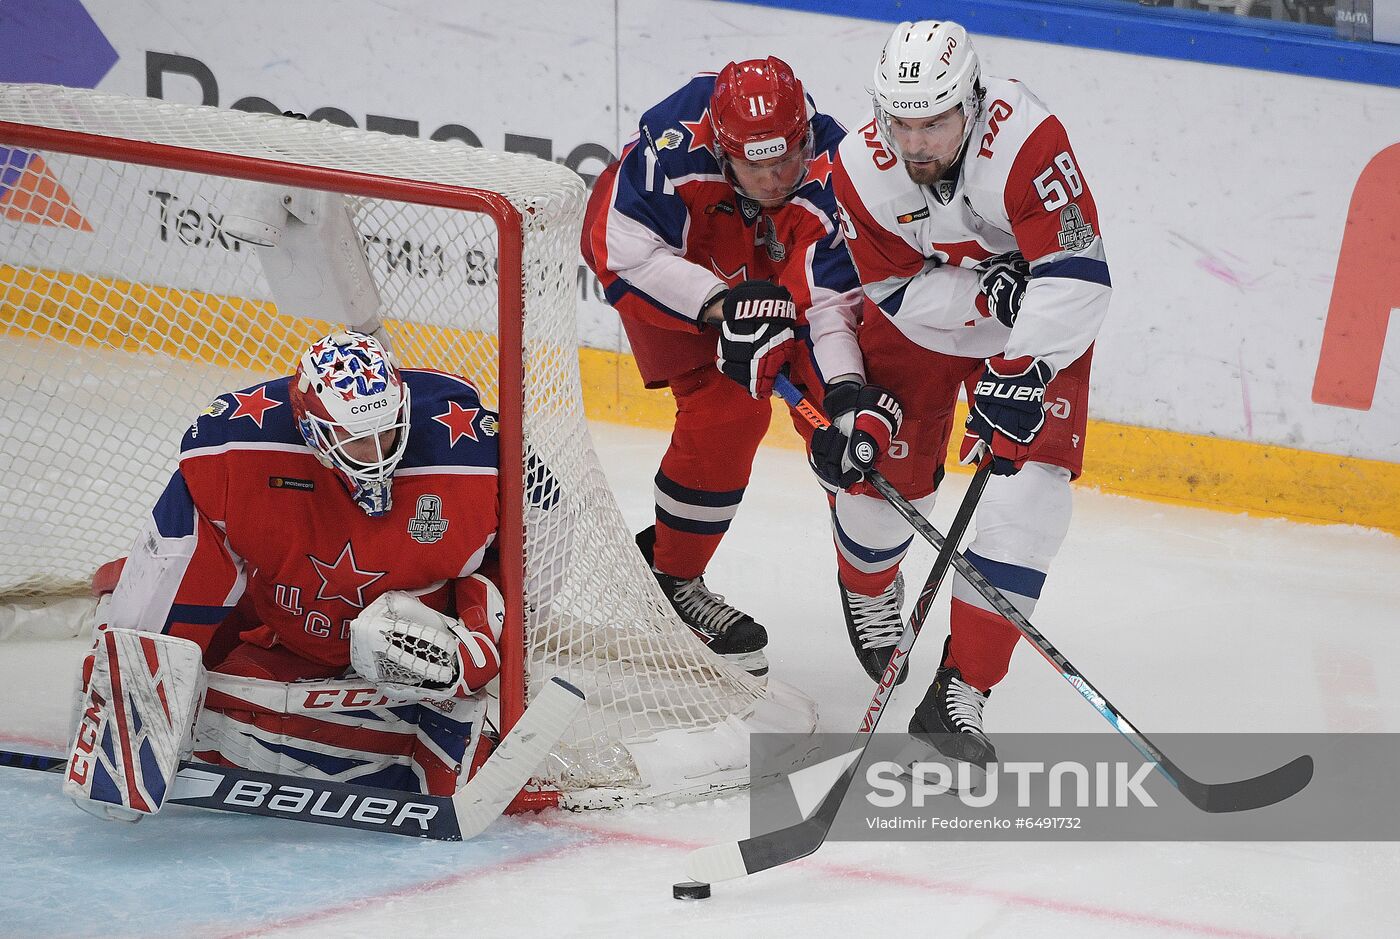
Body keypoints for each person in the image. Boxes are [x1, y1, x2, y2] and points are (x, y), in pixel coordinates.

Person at [813, 20, 1111, 764]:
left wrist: (1026, 363)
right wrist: (984, 296)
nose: (916, 144)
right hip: (921, 322)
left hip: (1033, 323)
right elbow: (889, 289)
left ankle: (960, 690)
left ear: (972, 103)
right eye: (901, 122)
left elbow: (1078, 271)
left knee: (1035, 494)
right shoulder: (858, 165)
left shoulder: (1027, 138)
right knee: (877, 484)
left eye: (935, 123)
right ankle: (868, 582)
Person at [63, 330, 507, 820]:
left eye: (388, 431)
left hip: (394, 655)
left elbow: (527, 557)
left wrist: (482, 643)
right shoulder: (233, 447)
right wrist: (135, 692)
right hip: (283, 632)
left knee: (404, 651)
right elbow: (184, 570)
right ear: (313, 429)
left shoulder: (477, 449)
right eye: (358, 439)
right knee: (212, 678)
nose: (378, 452)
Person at [582, 56, 861, 676]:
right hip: (684, 269)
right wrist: (716, 305)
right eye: (753, 165)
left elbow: (838, 293)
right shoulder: (671, 152)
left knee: (850, 422)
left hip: (782, 278)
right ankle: (674, 577)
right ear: (720, 148)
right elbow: (620, 248)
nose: (774, 178)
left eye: (786, 160)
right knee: (727, 410)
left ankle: (870, 570)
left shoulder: (842, 163)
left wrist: (828, 374)